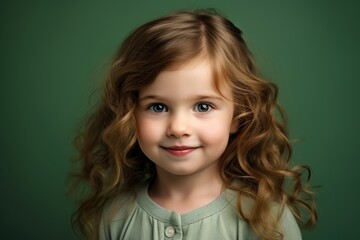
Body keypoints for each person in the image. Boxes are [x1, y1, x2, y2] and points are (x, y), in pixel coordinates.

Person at [70, 9, 317, 240]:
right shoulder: (116, 217)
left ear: (237, 117)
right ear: (129, 114)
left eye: (203, 107)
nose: (178, 128)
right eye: (158, 107)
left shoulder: (265, 218)